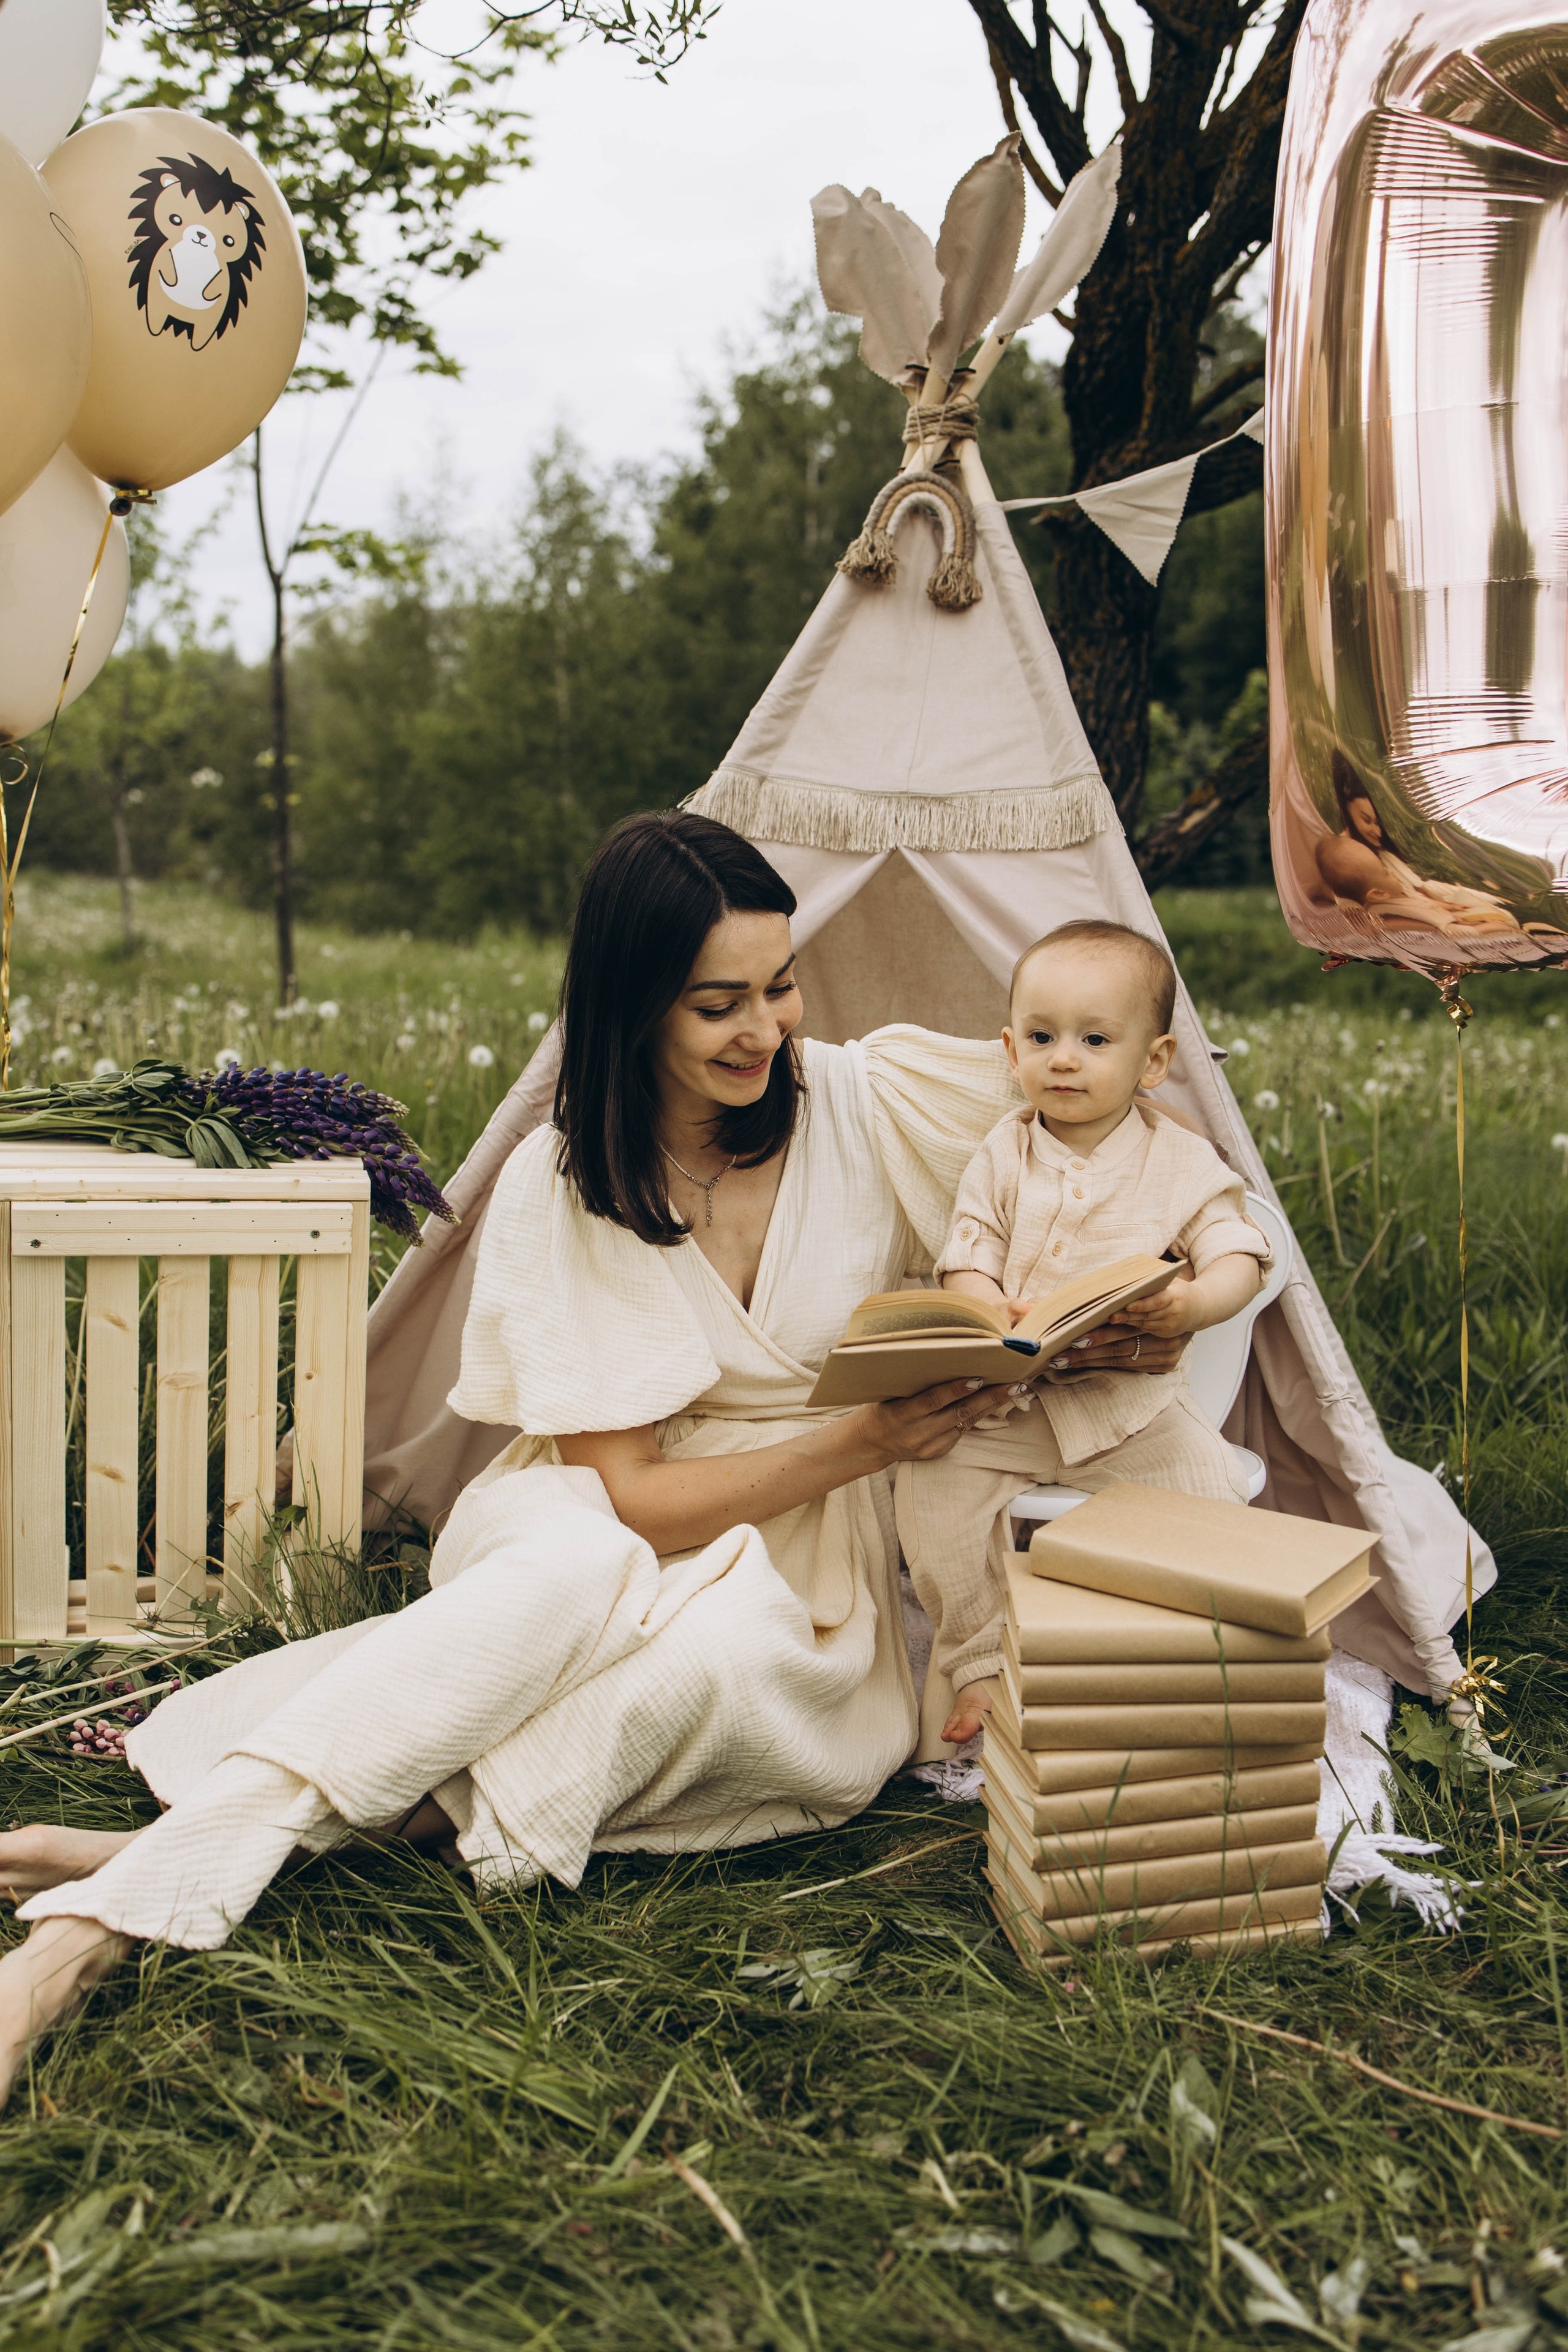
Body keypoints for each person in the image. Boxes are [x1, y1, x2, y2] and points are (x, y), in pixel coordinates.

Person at [0, 814, 1189, 2103]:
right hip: (603, 1508)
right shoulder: (562, 1182)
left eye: (782, 985)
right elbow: (630, 1502)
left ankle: (187, 1849)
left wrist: (1158, 1306)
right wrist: (863, 1439)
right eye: (717, 1005)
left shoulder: (873, 1097)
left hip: (806, 1556)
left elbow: (1122, 1126)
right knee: (561, 1584)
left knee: (714, 1667)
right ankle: (79, 1945)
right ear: (633, 1004)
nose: (766, 1030)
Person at [895, 919, 1270, 1748]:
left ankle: (1185, 1661)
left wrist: (1192, 1306)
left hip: (1134, 1411)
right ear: (1011, 1049)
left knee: (1211, 1495)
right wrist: (986, 1308)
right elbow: (969, 1251)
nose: (1063, 1059)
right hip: (1013, 1406)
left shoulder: (1179, 1159)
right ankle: (978, 1654)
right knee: (930, 1486)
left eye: (1095, 1040)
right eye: (1042, 1037)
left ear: (1153, 1061)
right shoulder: (1003, 1153)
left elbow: (1239, 1253)